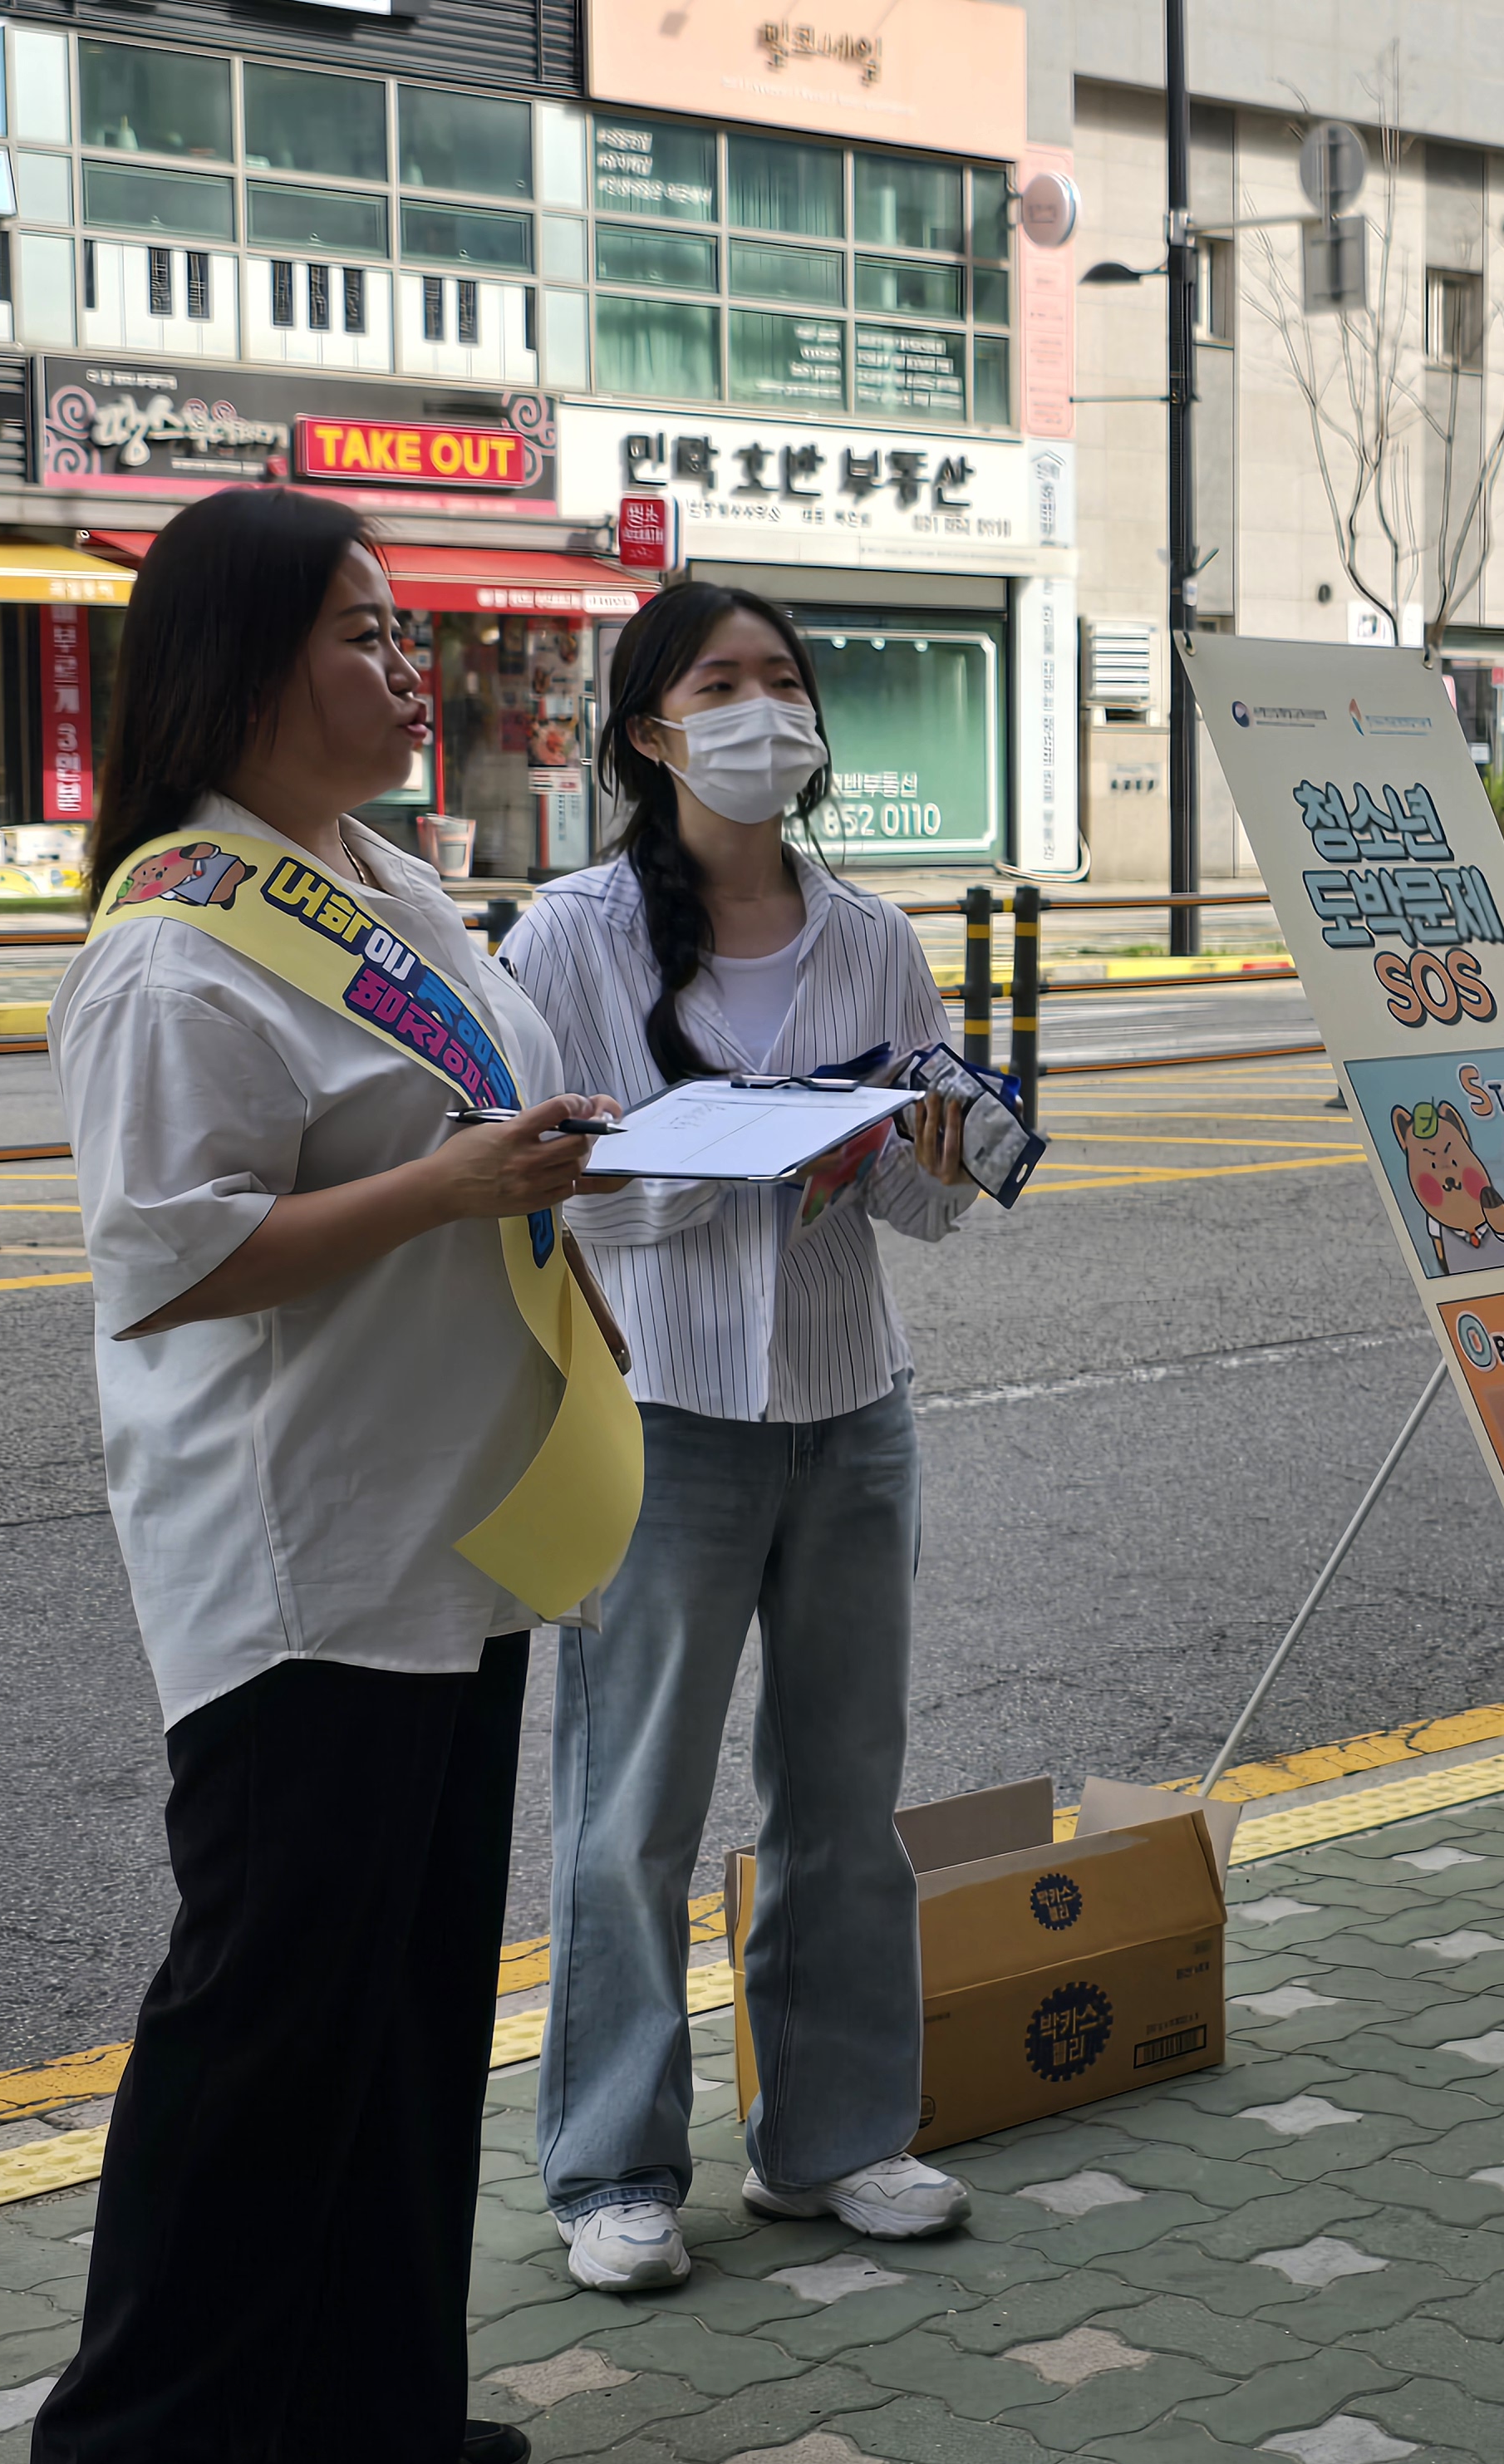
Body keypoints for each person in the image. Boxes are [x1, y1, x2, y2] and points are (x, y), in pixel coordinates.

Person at [37, 489, 629, 2464]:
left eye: (407, 632)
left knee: (403, 2024)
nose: (407, 668)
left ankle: (364, 2418)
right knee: (263, 2042)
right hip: (304, 1563)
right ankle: (142, 2454)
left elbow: (467, 1140)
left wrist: (548, 1199)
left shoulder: (384, 879)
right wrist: (456, 1183)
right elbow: (173, 1254)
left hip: (453, 1532)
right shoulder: (172, 938)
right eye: (364, 635)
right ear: (248, 658)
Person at [500, 583, 981, 2292]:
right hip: (661, 1422)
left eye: (786, 682)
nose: (765, 710)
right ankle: (613, 2167)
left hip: (853, 1412)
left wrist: (925, 1150)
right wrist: (724, 1157)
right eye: (724, 683)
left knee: (844, 1796)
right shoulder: (565, 942)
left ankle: (836, 2138)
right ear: (651, 730)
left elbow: (928, 1219)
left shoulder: (873, 938)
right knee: (628, 1810)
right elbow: (527, 1201)